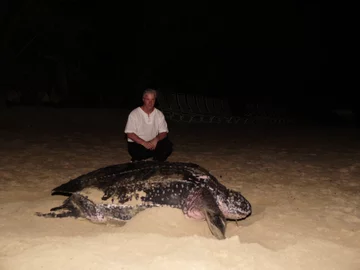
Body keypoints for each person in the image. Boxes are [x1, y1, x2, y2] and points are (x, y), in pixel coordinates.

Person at [124, 89, 173, 162]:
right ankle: (141, 159)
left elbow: (164, 132)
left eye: (152, 100)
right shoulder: (134, 114)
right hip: (139, 144)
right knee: (138, 152)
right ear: (143, 99)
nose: (150, 102)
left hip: (153, 143)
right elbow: (129, 134)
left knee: (168, 146)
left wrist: (155, 140)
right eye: (148, 99)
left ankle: (154, 159)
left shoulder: (159, 114)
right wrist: (144, 143)